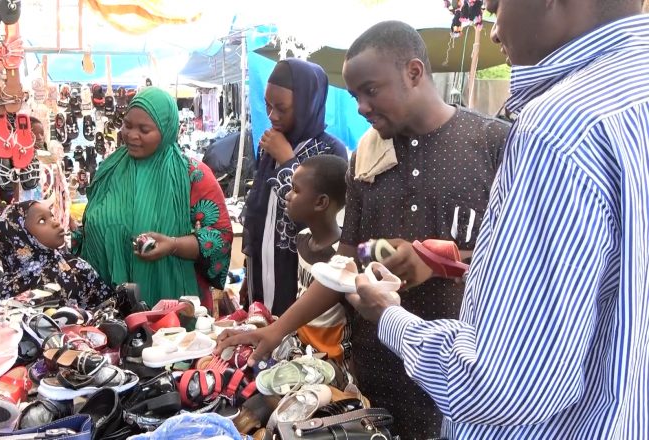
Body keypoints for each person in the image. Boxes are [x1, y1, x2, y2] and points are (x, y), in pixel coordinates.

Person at [345, 1, 649, 438]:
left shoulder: (552, 132)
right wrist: (370, 253)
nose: (491, 29)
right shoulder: (631, 98)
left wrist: (390, 316)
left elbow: (501, 386)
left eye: (496, 5)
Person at [218, 21, 509, 438]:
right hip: (374, 369)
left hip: (462, 375)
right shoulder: (364, 161)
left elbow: (533, 261)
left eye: (371, 90)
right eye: (354, 95)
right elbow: (347, 262)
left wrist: (445, 262)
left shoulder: (494, 144)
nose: (360, 107)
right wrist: (276, 328)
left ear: (413, 72)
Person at [75, 87, 232, 309]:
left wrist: (173, 245)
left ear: (166, 130)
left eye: (144, 129)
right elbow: (89, 226)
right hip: (106, 304)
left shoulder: (192, 175)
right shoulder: (110, 170)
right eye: (127, 125)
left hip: (173, 309)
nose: (131, 135)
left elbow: (220, 239)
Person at [243, 59, 348, 317]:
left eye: (282, 108)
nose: (272, 116)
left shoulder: (330, 152)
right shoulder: (268, 142)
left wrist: (287, 160)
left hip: (299, 265)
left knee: (289, 335)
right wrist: (249, 268)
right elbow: (259, 206)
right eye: (268, 106)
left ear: (307, 104)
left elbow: (323, 219)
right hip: (264, 260)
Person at [285, 155, 349, 364]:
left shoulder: (341, 256)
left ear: (321, 202)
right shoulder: (302, 238)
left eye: (296, 190)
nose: (288, 195)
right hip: (304, 349)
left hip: (333, 359)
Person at [0, 200, 112, 309]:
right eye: (42, 221)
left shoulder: (77, 268)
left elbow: (107, 309)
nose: (55, 223)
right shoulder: (8, 289)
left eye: (52, 216)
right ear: (18, 235)